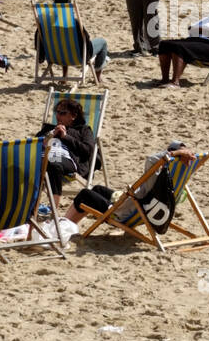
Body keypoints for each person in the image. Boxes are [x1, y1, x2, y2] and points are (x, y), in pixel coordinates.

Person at [59, 142, 199, 240]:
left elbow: (151, 160)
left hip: (124, 213)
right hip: (142, 210)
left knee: (85, 195)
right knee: (97, 189)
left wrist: (176, 152)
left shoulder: (158, 178)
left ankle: (63, 227)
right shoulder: (178, 180)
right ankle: (69, 224)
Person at [37, 96, 97, 203]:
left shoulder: (83, 130)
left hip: (66, 159)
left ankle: (54, 207)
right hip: (42, 156)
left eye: (63, 113)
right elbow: (34, 144)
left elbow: (87, 150)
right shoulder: (48, 128)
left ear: (73, 116)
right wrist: (50, 135)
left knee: (52, 162)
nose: (58, 115)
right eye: (57, 112)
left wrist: (65, 137)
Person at [44, 0, 108, 83]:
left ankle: (64, 77)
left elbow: (39, 42)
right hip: (77, 57)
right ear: (69, 7)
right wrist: (88, 56)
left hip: (55, 57)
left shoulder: (46, 24)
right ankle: (98, 77)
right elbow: (86, 40)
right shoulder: (74, 23)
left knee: (63, 44)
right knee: (102, 42)